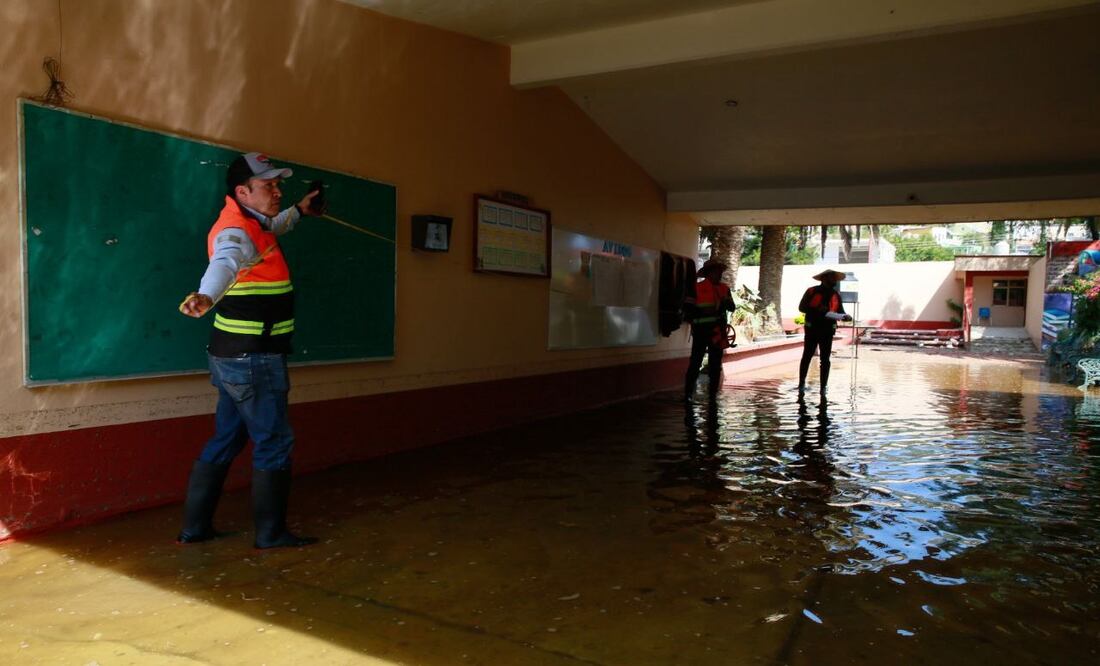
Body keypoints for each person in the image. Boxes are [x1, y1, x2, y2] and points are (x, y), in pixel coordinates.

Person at [177, 152, 323, 549]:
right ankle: (271, 534)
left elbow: (275, 225)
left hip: (232, 356)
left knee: (227, 437)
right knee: (274, 441)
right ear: (243, 192)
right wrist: (207, 296)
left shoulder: (253, 220)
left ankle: (195, 529)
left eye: (278, 185)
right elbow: (224, 263)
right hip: (254, 358)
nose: (277, 192)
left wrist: (300, 211)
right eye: (267, 186)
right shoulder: (235, 231)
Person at [684, 258, 736, 399]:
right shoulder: (696, 288)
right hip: (701, 332)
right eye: (716, 271)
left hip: (718, 333)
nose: (719, 274)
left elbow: (732, 307)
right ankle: (688, 395)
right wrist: (702, 313)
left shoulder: (725, 289)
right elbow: (688, 310)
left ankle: (713, 396)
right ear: (708, 273)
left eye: (720, 271)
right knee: (695, 363)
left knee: (715, 365)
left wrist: (725, 301)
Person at [797, 269, 852, 399]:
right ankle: (801, 384)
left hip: (828, 330)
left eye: (835, 278)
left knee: (825, 360)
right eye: (832, 277)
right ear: (824, 278)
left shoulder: (836, 295)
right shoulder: (812, 291)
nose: (835, 280)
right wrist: (818, 310)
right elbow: (802, 307)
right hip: (812, 329)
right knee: (807, 356)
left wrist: (845, 316)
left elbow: (840, 311)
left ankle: (823, 387)